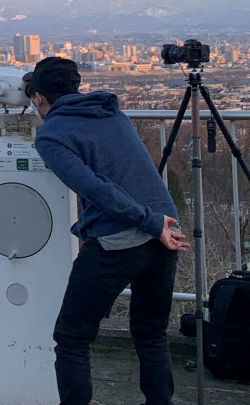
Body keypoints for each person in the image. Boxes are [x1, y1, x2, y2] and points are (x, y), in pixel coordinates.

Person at [26, 57, 189, 405]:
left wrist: (146, 221)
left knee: (72, 338)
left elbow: (95, 187)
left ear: (38, 98)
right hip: (165, 225)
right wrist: (154, 222)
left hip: (125, 235)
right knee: (151, 334)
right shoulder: (109, 111)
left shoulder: (51, 135)